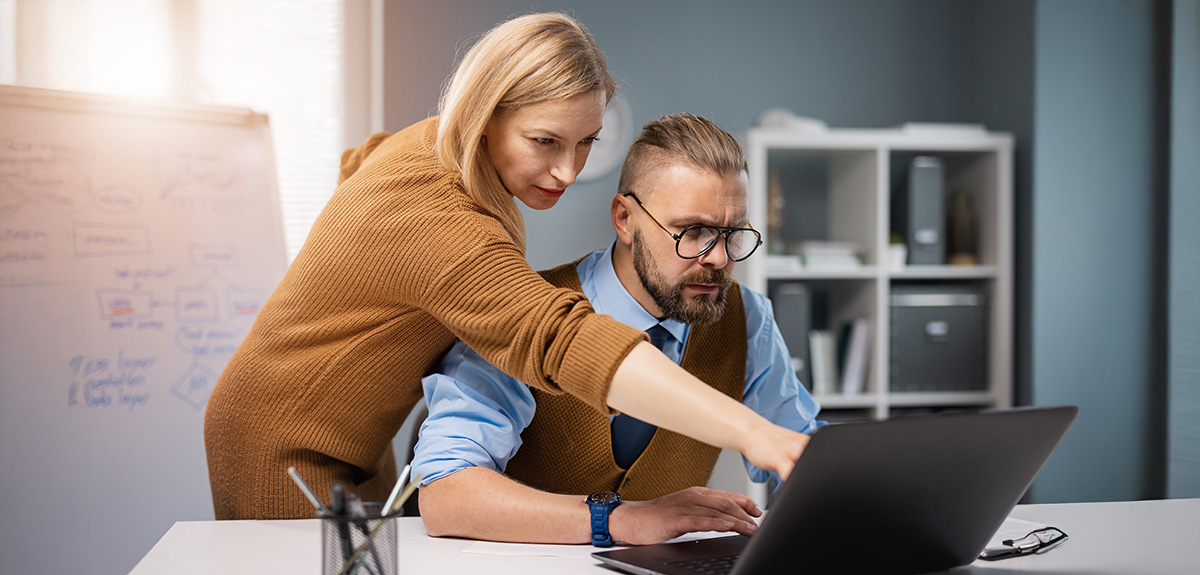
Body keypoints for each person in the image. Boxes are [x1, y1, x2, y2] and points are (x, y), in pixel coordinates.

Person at [203, 13, 808, 520]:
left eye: (586, 141)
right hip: (284, 439)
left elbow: (361, 157)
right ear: (484, 112)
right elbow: (556, 336)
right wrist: (753, 433)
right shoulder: (432, 210)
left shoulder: (448, 154)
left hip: (361, 436)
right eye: (545, 141)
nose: (568, 172)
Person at [413, 113, 823, 545]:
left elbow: (800, 452)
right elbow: (446, 497)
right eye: (693, 231)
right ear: (624, 219)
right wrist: (619, 519)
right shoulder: (525, 312)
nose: (718, 258)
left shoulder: (747, 318)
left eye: (732, 234)